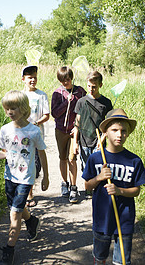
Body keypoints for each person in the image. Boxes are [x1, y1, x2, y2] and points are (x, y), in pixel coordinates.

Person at [0, 90, 49, 265]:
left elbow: (42, 153)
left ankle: (9, 250)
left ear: (23, 108)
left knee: (14, 214)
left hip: (26, 178)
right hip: (9, 176)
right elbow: (4, 153)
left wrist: (46, 176)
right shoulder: (5, 130)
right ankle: (32, 222)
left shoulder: (33, 131)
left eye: (13, 108)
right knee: (16, 208)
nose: (9, 112)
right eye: (7, 108)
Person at [82, 109, 145, 265]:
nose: (119, 135)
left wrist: (120, 191)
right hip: (102, 218)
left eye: (123, 131)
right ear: (105, 132)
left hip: (124, 219)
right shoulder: (96, 158)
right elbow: (87, 186)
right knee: (100, 257)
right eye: (114, 130)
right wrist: (99, 177)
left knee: (122, 261)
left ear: (128, 133)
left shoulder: (134, 160)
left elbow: (136, 191)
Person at [73, 71, 113, 198]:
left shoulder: (106, 102)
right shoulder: (81, 101)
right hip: (84, 140)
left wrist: (103, 138)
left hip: (99, 140)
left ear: (100, 85)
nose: (91, 89)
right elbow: (77, 123)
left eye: (94, 86)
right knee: (85, 166)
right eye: (89, 86)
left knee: (99, 165)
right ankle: (88, 189)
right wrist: (75, 142)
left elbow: (108, 124)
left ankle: (97, 190)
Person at [51, 66, 86, 203]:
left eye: (67, 79)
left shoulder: (80, 91)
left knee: (72, 158)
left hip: (74, 131)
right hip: (60, 130)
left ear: (71, 77)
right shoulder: (57, 93)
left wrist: (78, 127)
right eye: (62, 80)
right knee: (63, 158)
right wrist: (66, 102)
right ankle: (64, 183)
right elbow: (54, 113)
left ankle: (73, 187)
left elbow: (83, 110)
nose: (65, 82)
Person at [21, 65, 50, 207]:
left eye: (35, 77)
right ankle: (29, 194)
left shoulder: (41, 95)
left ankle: (32, 187)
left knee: (35, 165)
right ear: (23, 79)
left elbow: (46, 115)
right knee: (25, 163)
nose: (33, 80)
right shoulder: (20, 96)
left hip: (37, 134)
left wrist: (36, 122)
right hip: (22, 136)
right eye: (29, 77)